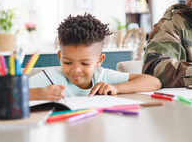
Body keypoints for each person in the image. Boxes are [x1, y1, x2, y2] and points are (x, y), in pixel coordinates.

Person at [30, 13, 161, 100]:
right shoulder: (51, 78)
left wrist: (115, 88)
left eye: (85, 63)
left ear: (99, 60)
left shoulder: (102, 76)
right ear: (60, 57)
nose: (75, 70)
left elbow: (154, 82)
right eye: (68, 62)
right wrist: (38, 93)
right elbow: (10, 94)